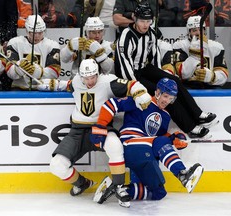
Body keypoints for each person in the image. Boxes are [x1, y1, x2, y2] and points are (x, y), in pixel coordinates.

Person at [36, 58, 151, 208]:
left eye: (92, 77)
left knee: (115, 146)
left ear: (97, 73)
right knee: (57, 165)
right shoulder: (77, 81)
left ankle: (118, 186)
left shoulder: (107, 82)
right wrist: (51, 84)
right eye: (86, 78)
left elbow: (131, 85)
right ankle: (82, 183)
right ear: (81, 75)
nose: (89, 81)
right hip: (77, 131)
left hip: (101, 128)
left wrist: (140, 92)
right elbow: (67, 85)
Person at [92, 78, 203, 204]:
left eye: (171, 98)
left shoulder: (166, 115)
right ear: (157, 92)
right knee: (160, 141)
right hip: (129, 145)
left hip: (145, 154)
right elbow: (111, 104)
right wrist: (101, 125)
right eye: (165, 96)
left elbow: (157, 138)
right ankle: (182, 174)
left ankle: (114, 189)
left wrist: (173, 139)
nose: (167, 101)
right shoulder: (143, 100)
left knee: (158, 192)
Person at [115, 3, 217, 138]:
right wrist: (134, 86)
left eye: (148, 21)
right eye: (142, 21)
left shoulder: (150, 33)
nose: (145, 25)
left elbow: (154, 55)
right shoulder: (126, 36)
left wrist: (162, 77)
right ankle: (190, 128)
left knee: (173, 80)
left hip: (144, 68)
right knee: (165, 93)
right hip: (130, 76)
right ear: (135, 19)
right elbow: (123, 64)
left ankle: (198, 115)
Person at [5, 15, 61, 90]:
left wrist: (37, 71)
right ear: (27, 31)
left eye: (40, 33)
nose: (37, 36)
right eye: (33, 33)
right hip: (18, 89)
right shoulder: (14, 43)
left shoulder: (52, 45)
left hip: (43, 89)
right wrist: (19, 68)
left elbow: (55, 73)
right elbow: (9, 72)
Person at [172, 15, 229, 88]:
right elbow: (182, 74)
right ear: (189, 32)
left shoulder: (216, 47)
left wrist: (212, 77)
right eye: (194, 30)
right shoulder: (180, 46)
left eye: (201, 29)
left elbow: (224, 75)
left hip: (210, 86)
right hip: (187, 85)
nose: (198, 33)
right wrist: (195, 54)